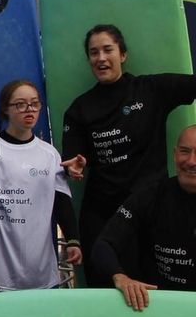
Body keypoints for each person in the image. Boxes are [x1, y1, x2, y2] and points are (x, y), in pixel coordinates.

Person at [61, 24, 196, 287]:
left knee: (151, 292)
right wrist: (74, 165)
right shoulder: (80, 109)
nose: (100, 58)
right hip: (102, 215)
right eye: (93, 52)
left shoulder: (151, 89)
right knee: (106, 292)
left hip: (149, 212)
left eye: (107, 50)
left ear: (122, 55)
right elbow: (71, 156)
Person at [0, 80, 81, 291]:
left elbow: (61, 202)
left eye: (34, 104)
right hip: (0, 276)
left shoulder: (49, 153)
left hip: (43, 275)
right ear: (6, 109)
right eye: (20, 104)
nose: (29, 109)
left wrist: (73, 240)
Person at [93, 125, 196, 311]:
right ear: (174, 154)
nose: (191, 161)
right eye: (184, 151)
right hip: (158, 308)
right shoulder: (152, 195)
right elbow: (103, 245)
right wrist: (120, 277)